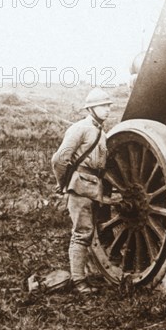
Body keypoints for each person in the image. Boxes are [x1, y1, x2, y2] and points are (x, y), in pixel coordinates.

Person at [51, 88, 117, 295]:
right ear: (91, 108)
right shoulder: (80, 128)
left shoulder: (102, 132)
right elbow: (60, 159)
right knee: (81, 233)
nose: (107, 110)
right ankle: (79, 281)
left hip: (93, 187)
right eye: (102, 106)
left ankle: (87, 272)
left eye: (108, 106)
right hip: (79, 185)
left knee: (92, 232)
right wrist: (64, 184)